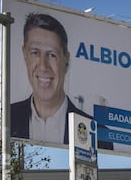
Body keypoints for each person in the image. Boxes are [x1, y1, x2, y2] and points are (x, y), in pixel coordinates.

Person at [11, 13, 90, 144]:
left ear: (66, 59)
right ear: (24, 54)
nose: (43, 66)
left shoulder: (95, 132)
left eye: (52, 55)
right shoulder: (6, 119)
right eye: (35, 53)